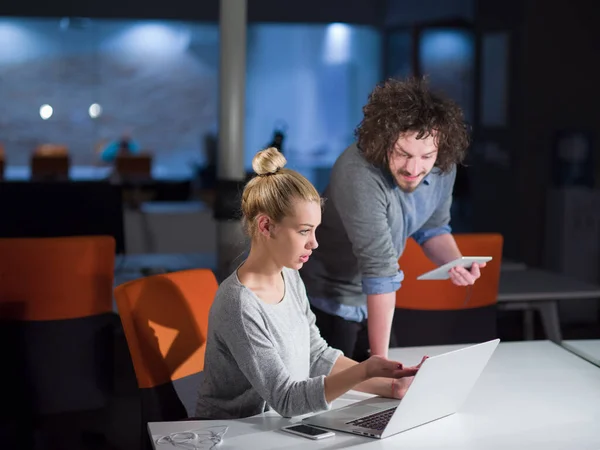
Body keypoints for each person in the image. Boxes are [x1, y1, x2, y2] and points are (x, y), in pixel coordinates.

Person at [194, 147, 426, 419]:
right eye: (304, 231)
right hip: (233, 434)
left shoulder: (289, 274)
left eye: (315, 229)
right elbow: (287, 400)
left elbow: (316, 356)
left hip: (272, 428)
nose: (314, 243)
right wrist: (364, 369)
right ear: (266, 226)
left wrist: (393, 387)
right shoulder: (239, 303)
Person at [300, 76, 486, 362]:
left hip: (377, 299)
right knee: (340, 398)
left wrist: (454, 262)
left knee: (381, 392)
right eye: (403, 154)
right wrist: (380, 365)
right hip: (329, 298)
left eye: (426, 156)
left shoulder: (441, 167)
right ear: (383, 141)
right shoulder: (357, 173)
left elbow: (433, 228)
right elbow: (380, 271)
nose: (415, 168)